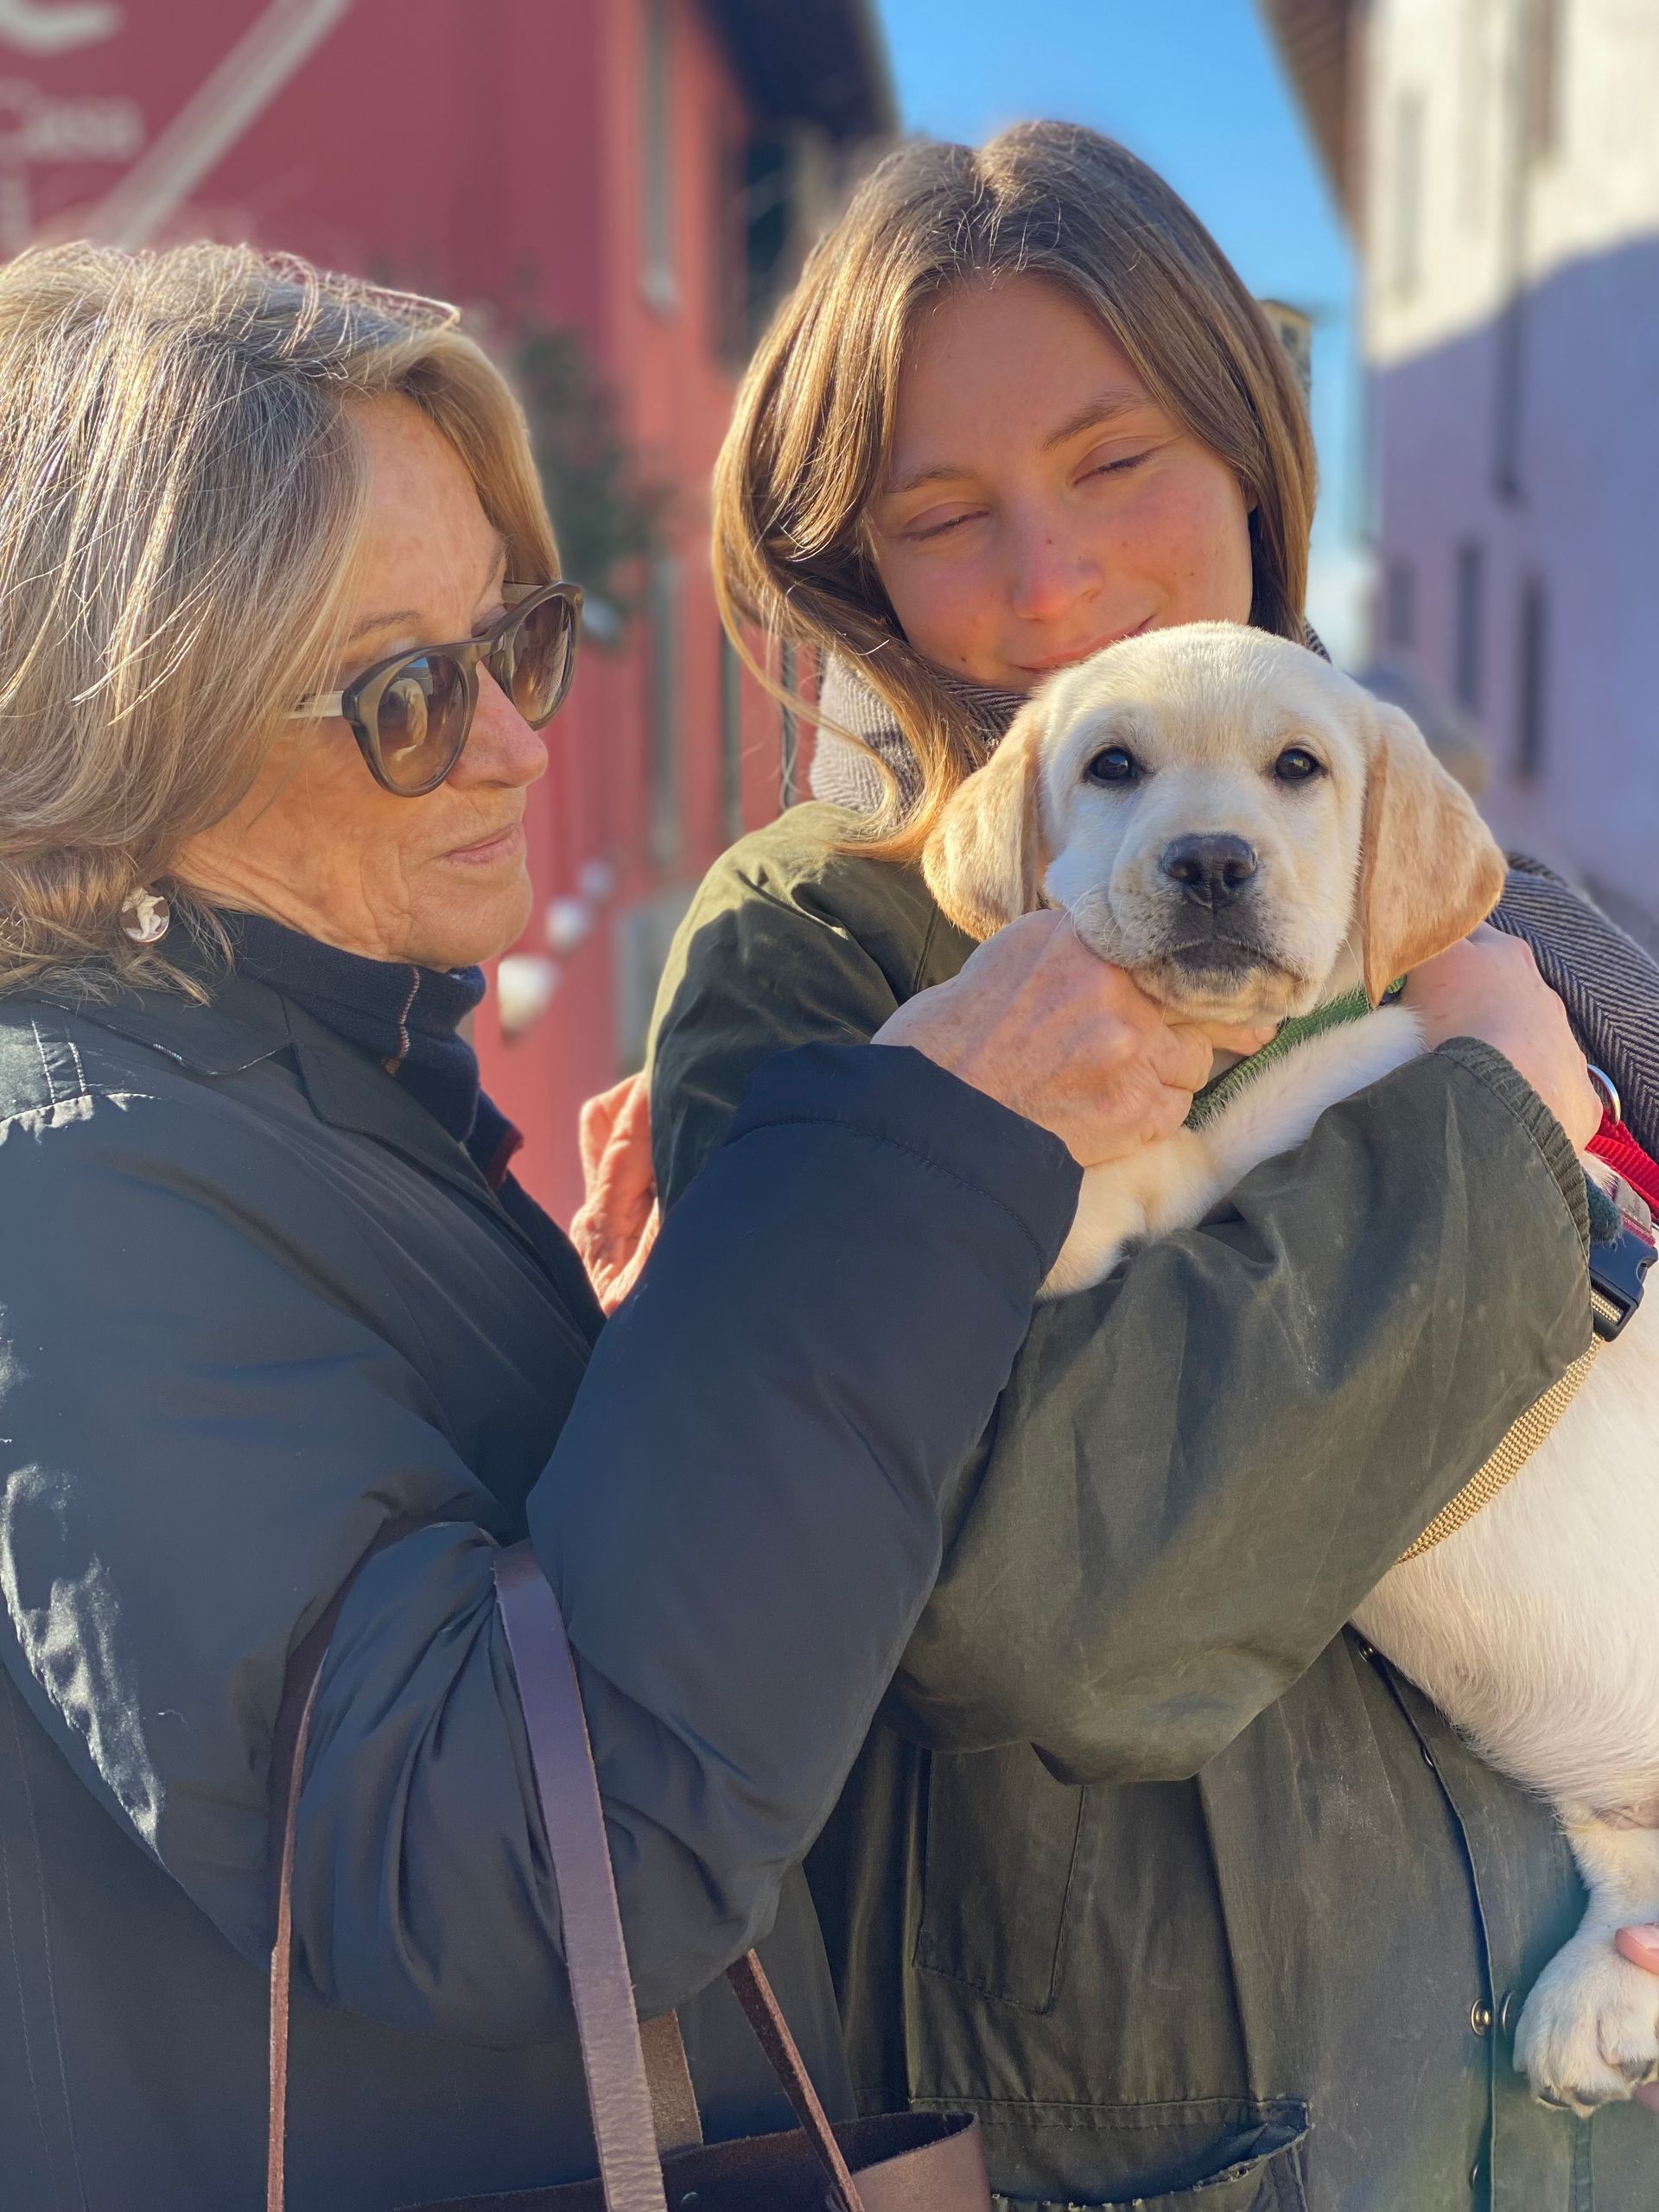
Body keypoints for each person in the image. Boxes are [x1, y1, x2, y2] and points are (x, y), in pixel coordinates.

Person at [0, 239, 1275, 2212]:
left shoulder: (300, 1097)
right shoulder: (73, 1186)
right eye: (403, 696)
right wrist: (933, 1132)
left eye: (510, 642)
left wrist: (627, 1369)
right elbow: (514, 1865)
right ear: (131, 741)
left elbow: (484, 1626)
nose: (517, 743)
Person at [640, 126, 1659, 2206]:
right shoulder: (815, 951)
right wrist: (1490, 1123)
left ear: (1257, 457)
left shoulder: (1454, 888)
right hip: (1197, 2137)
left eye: (1118, 461)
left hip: (1558, 2100)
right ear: (856, 570)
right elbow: (1052, 1603)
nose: (1049, 579)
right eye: (942, 515)